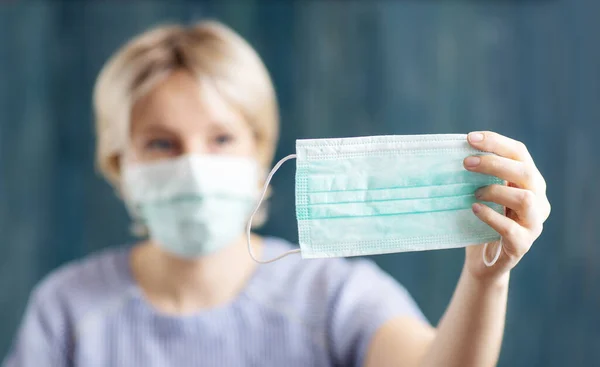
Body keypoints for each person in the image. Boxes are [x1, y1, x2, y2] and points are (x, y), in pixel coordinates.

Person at [2, 21, 551, 367]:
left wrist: (486, 278)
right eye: (161, 143)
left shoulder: (331, 297)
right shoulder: (68, 310)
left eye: (221, 138)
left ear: (260, 152)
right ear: (118, 162)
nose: (195, 166)